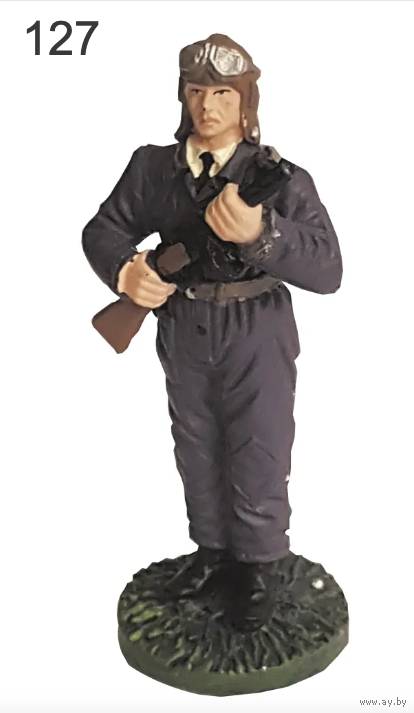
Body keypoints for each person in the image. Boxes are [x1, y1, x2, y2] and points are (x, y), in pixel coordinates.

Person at [82, 33, 343, 632]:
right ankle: (211, 551)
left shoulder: (276, 179)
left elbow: (329, 268)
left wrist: (263, 234)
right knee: (195, 442)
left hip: (256, 327)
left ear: (245, 99)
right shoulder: (154, 168)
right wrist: (127, 272)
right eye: (197, 91)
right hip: (184, 322)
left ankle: (259, 564)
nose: (208, 105)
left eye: (223, 93)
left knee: (259, 443)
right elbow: (103, 230)